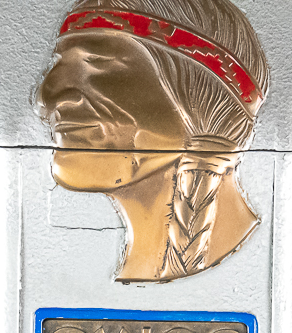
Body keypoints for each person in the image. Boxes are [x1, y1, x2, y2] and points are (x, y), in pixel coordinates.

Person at [36, 0, 269, 281]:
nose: (45, 97)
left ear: (200, 97)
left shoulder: (280, 267)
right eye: (59, 64)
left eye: (98, 62)